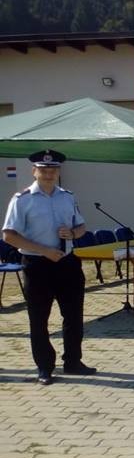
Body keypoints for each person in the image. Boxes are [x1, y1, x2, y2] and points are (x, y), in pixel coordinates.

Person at [2, 150, 93, 385]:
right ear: (34, 171)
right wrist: (44, 251)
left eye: (53, 169)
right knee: (39, 318)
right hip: (38, 265)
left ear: (58, 171)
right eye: (43, 169)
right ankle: (44, 366)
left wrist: (73, 233)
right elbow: (9, 235)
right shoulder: (22, 199)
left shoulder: (68, 197)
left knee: (73, 315)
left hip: (67, 263)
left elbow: (81, 227)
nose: (49, 173)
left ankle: (73, 361)